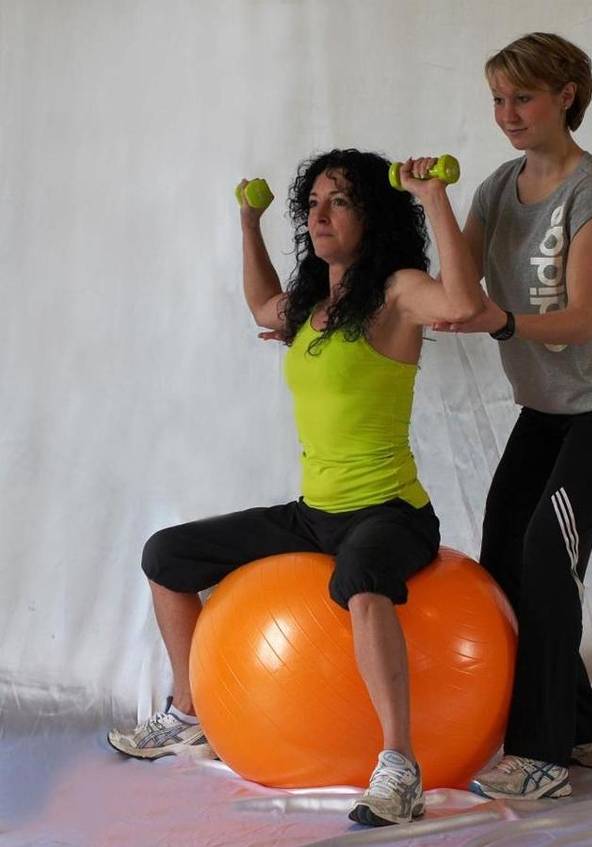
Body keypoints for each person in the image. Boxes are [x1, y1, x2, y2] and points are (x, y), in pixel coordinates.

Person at [107, 148, 484, 826]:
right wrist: (248, 220)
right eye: (312, 202)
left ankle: (399, 767)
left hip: (391, 510)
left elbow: (461, 301)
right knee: (167, 555)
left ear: (372, 213)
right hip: (315, 513)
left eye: (338, 200)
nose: (319, 213)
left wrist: (433, 198)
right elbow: (261, 300)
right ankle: (190, 710)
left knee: (362, 574)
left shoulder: (397, 292)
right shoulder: (313, 306)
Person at [434, 32, 592, 800]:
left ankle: (543, 752)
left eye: (521, 97)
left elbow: (581, 321)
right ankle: (590, 725)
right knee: (504, 558)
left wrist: (498, 322)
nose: (507, 114)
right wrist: (433, 203)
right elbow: (457, 288)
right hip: (545, 412)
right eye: (497, 99)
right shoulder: (497, 187)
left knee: (546, 559)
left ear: (567, 95)